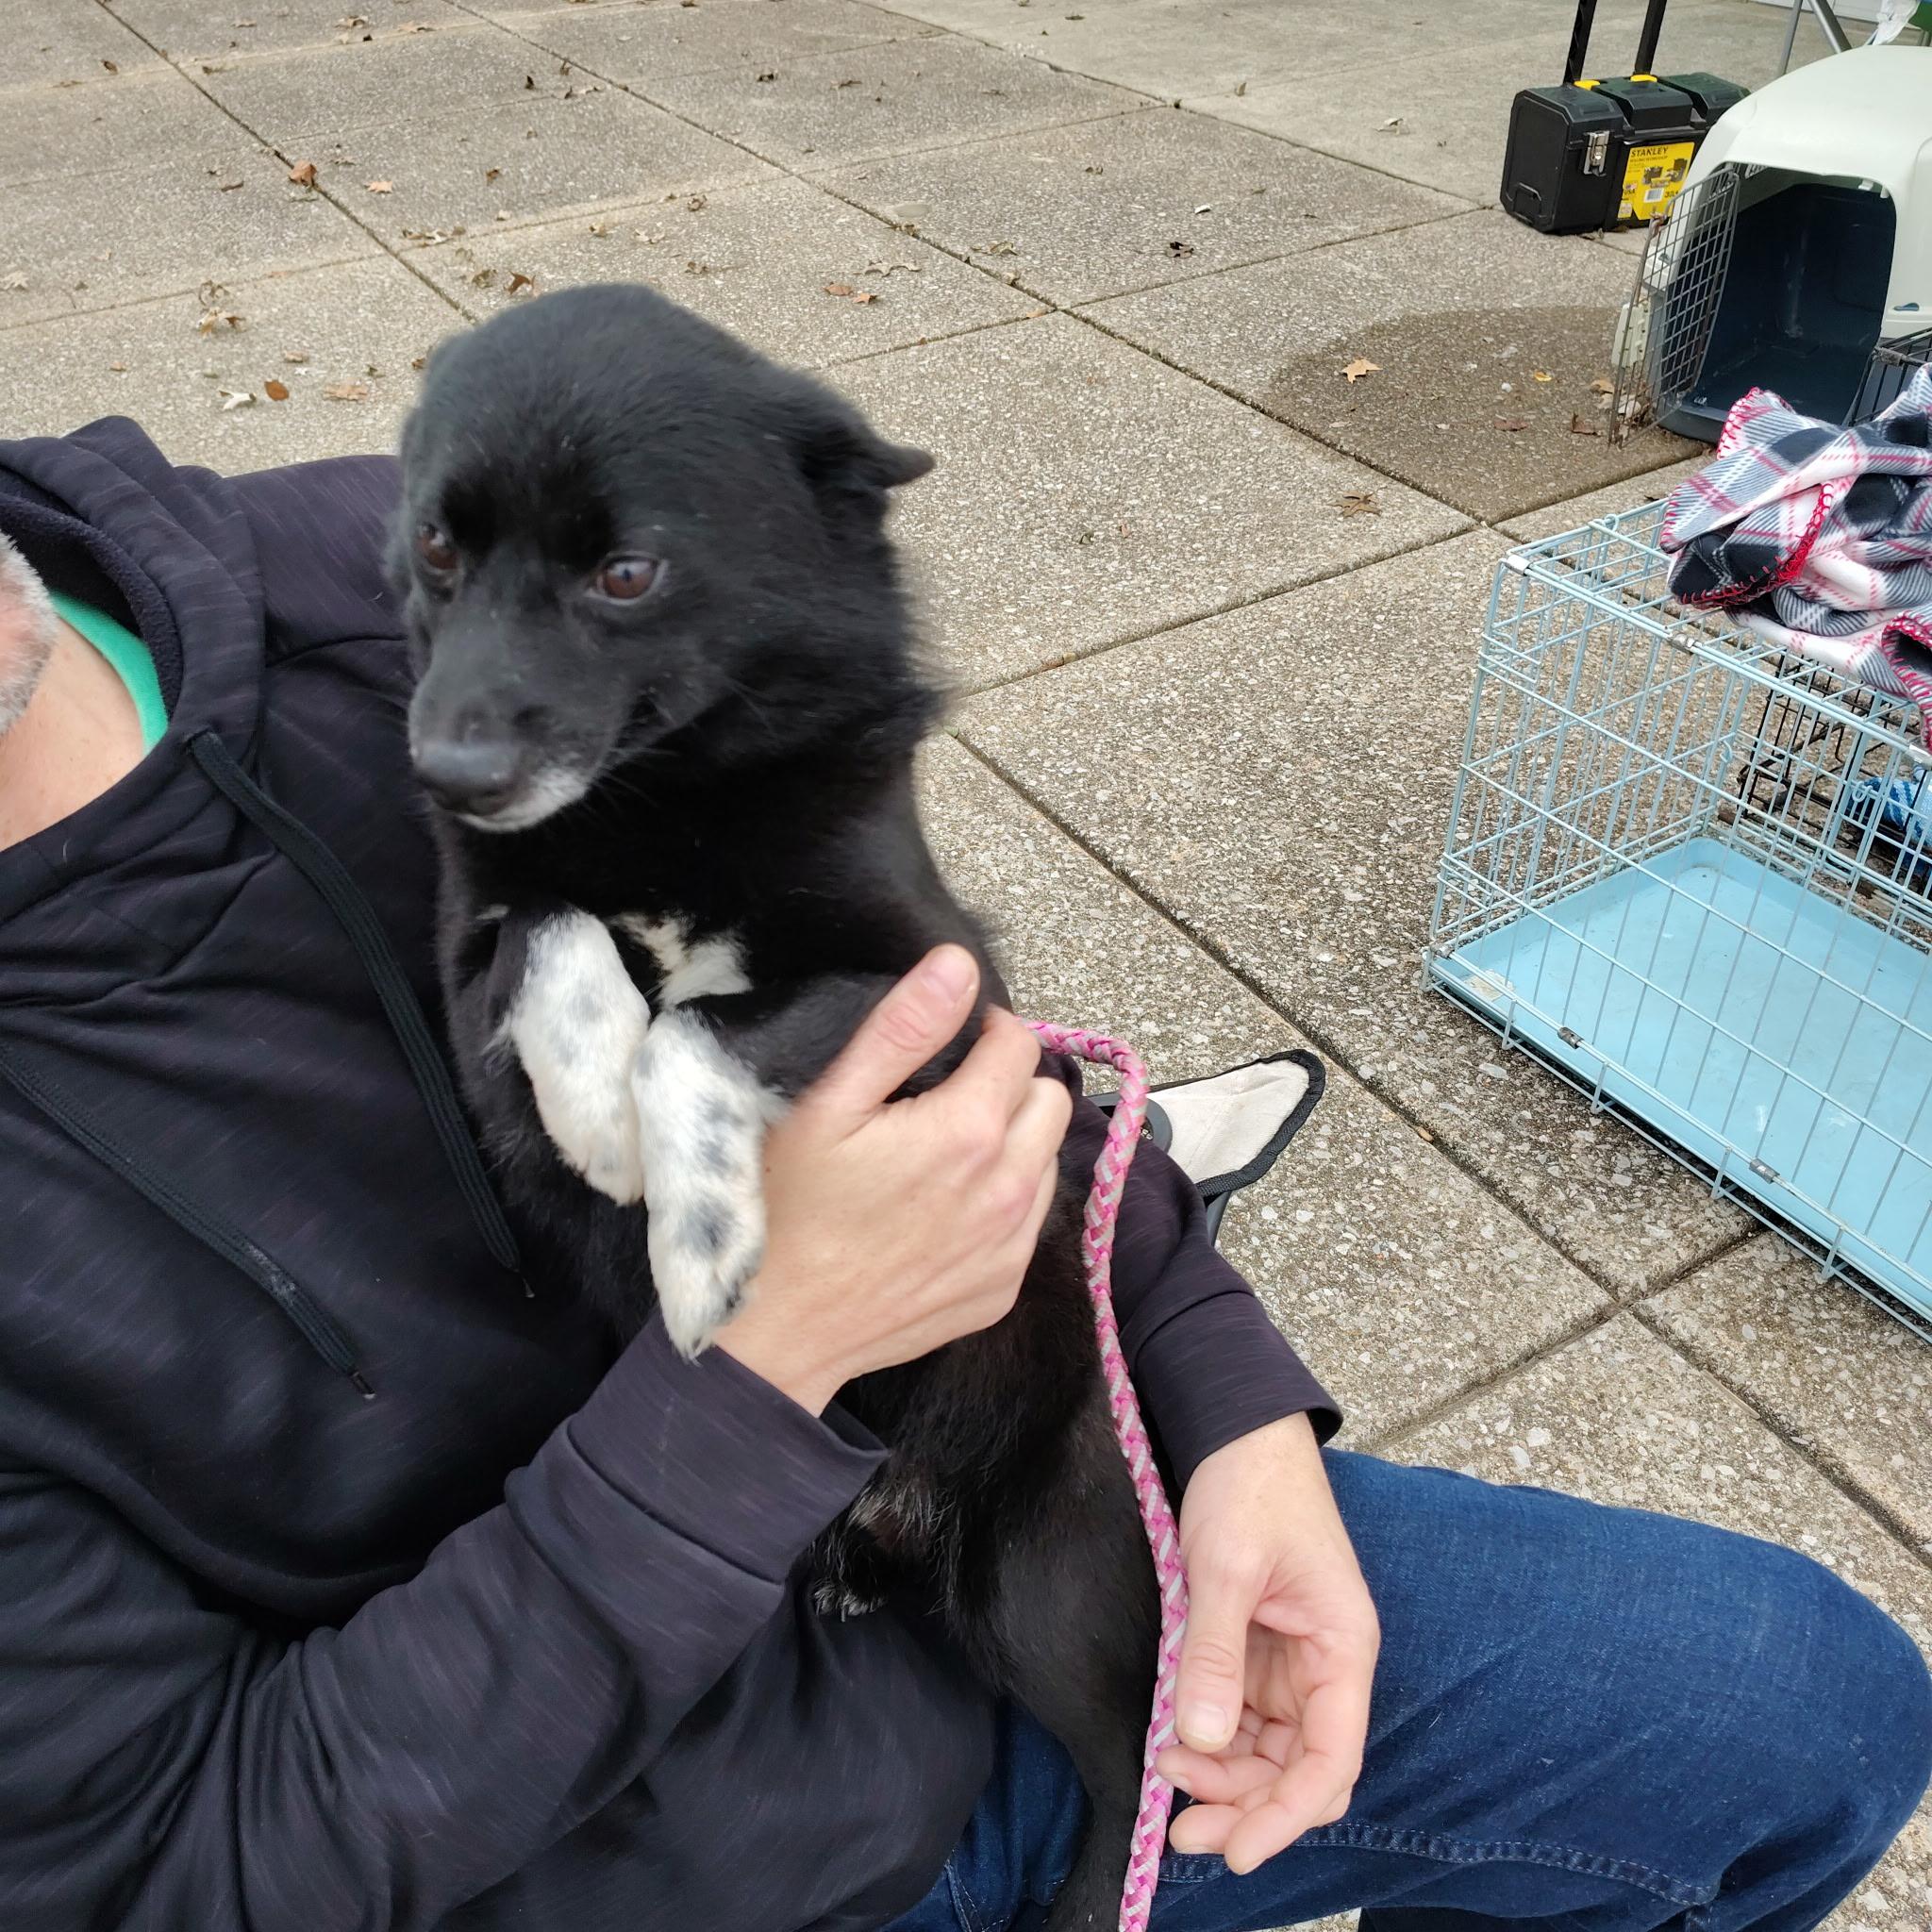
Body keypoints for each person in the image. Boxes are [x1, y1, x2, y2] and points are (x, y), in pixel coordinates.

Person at [0, 415, 1924, 1932]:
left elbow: (901, 1002)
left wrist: (1216, 1388)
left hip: (1002, 1524)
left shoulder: (393, 568)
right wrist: (755, 1381)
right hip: (644, 1855)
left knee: (1803, 1711)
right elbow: (182, 1867)